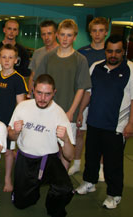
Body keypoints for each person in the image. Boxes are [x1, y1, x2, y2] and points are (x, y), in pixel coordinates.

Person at [75, 35, 133, 209]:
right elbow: (88, 93)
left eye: (117, 51)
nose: (113, 55)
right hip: (94, 121)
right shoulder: (96, 67)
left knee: (113, 163)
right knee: (91, 156)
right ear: (105, 51)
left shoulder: (130, 69)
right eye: (110, 51)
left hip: (116, 126)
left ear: (124, 51)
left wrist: (131, 124)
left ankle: (114, 194)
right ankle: (89, 183)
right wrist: (80, 113)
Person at [8, 74, 74, 217]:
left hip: (48, 159)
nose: (42, 98)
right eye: (39, 93)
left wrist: (67, 140)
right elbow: (10, 136)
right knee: (21, 204)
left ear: (54, 93)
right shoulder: (22, 107)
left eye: (47, 94)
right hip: (26, 159)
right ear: (32, 90)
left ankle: (53, 208)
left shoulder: (59, 114)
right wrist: (15, 132)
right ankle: (31, 192)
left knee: (65, 189)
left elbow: (69, 156)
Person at [36, 19, 91, 169]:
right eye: (62, 35)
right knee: (46, 146)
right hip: (47, 111)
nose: (65, 38)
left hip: (68, 110)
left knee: (66, 150)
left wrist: (71, 111)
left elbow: (81, 88)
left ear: (74, 37)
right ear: (57, 36)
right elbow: (39, 83)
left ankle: (62, 182)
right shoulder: (48, 57)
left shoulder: (80, 60)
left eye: (69, 35)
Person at [68, 17, 109, 180]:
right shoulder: (82, 52)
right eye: (94, 30)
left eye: (101, 30)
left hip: (102, 101)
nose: (97, 34)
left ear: (106, 32)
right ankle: (76, 163)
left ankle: (100, 167)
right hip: (84, 97)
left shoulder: (110, 52)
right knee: (79, 132)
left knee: (101, 135)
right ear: (90, 32)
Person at [0, 44, 28, 192]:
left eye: (10, 57)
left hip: (9, 123)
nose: (6, 60)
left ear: (16, 60)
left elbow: (21, 105)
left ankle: (7, 179)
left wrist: (14, 125)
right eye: (4, 57)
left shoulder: (18, 79)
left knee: (9, 152)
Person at [28, 20, 59, 97]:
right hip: (39, 97)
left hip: (56, 96)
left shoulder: (62, 52)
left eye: (49, 34)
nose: (46, 37)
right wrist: (30, 95)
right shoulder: (37, 53)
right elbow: (32, 76)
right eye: (43, 34)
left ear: (56, 34)